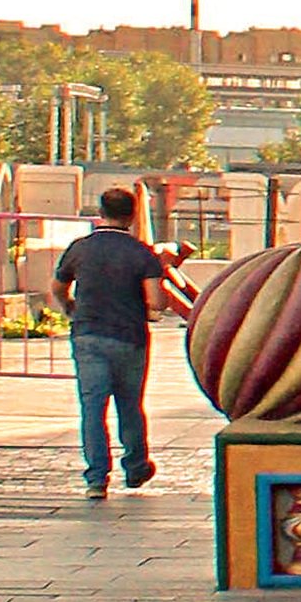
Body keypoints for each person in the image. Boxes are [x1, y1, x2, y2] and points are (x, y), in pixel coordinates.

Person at [52, 188, 189, 499]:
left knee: (92, 407)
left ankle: (97, 479)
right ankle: (136, 466)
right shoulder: (142, 253)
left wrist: (70, 307)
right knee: (129, 405)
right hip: (130, 337)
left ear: (101, 212)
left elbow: (58, 286)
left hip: (88, 335)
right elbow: (155, 302)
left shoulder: (80, 249)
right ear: (132, 215)